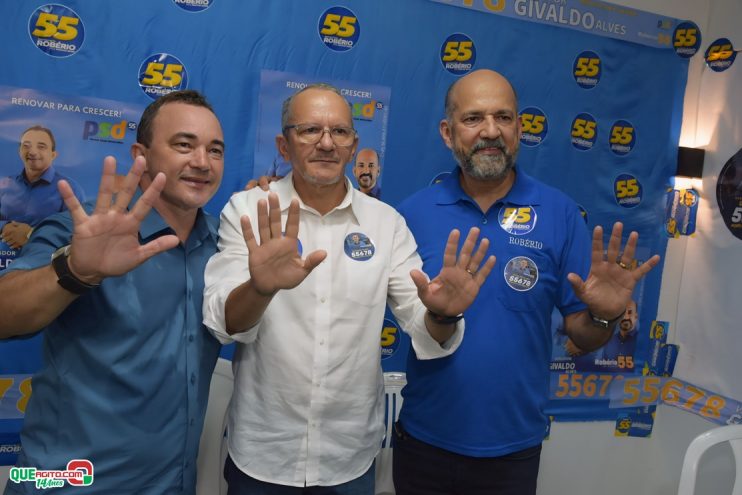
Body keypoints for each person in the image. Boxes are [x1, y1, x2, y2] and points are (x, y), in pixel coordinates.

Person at [202, 83, 496, 494]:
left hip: (348, 458)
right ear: (283, 145)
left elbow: (424, 325)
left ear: (353, 146)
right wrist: (260, 289)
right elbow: (224, 322)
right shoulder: (248, 210)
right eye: (310, 130)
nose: (326, 143)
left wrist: (443, 312)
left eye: (339, 132)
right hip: (264, 454)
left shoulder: (386, 224)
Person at [392, 69, 660, 495]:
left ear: (519, 128)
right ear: (447, 132)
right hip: (424, 442)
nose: (490, 131)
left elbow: (582, 334)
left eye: (503, 117)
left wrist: (604, 317)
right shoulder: (411, 214)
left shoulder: (559, 213)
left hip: (513, 450)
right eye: (473, 118)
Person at [0, 90, 225, 494]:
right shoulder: (84, 228)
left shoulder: (225, 244)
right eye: (183, 145)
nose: (202, 162)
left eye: (215, 150)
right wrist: (75, 270)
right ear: (141, 155)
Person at [0, 126, 85, 250]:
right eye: (26, 146)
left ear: (53, 154)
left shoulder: (70, 189)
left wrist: (31, 234)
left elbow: (77, 232)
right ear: (19, 151)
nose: (32, 152)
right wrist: (4, 226)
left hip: (44, 261)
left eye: (41, 146)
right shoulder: (5, 184)